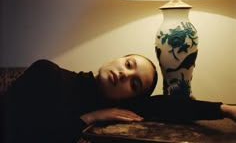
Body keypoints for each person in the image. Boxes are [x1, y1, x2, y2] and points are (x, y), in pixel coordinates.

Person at [2, 54, 236, 143]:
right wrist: (89, 118)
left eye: (134, 84)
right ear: (116, 58)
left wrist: (225, 109)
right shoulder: (47, 72)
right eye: (128, 64)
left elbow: (166, 105)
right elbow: (19, 131)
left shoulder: (119, 108)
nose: (124, 73)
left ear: (130, 99)